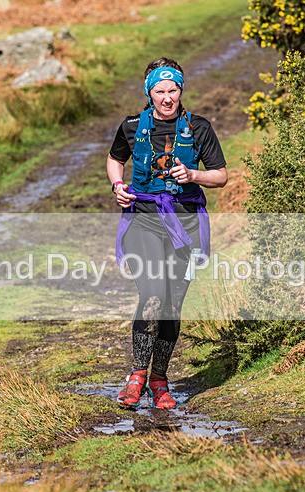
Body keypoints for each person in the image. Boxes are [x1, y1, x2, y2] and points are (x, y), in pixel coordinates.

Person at [107, 57, 228, 409]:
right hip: (143, 219)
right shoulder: (131, 126)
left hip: (185, 225)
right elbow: (115, 158)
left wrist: (193, 176)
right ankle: (136, 376)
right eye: (159, 91)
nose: (167, 97)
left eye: (172, 89)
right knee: (155, 293)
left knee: (173, 305)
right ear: (149, 93)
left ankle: (159, 380)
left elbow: (220, 175)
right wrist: (117, 184)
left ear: (181, 89)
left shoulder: (200, 127)